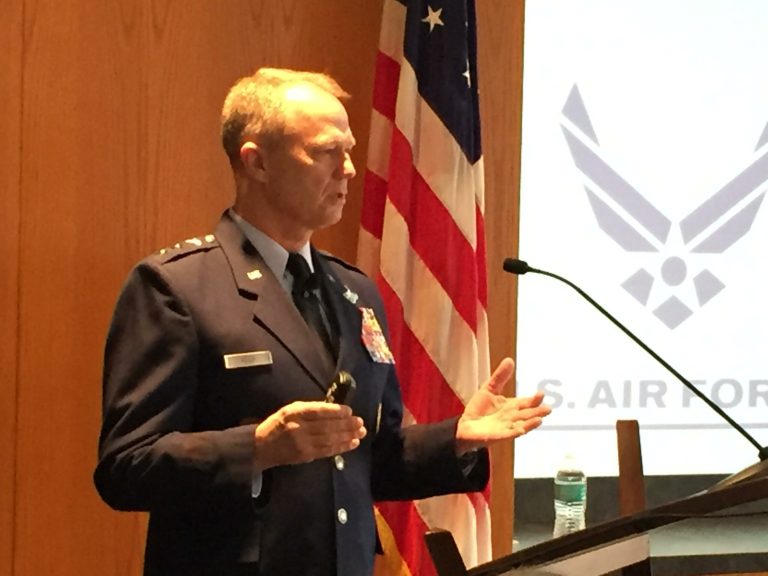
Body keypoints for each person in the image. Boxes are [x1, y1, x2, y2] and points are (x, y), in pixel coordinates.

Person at [94, 67, 551, 576]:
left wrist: (457, 438)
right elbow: (125, 467)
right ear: (257, 161)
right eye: (326, 151)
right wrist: (257, 449)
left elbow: (369, 457)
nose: (348, 169)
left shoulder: (355, 292)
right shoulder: (176, 287)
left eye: (349, 150)